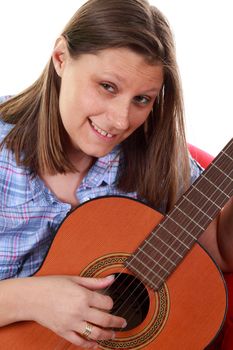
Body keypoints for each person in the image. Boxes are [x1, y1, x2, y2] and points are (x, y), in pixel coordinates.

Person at [0, 0, 232, 348]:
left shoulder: (155, 153)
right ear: (61, 59)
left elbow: (216, 250)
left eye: (142, 99)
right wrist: (31, 299)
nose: (121, 120)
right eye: (107, 86)